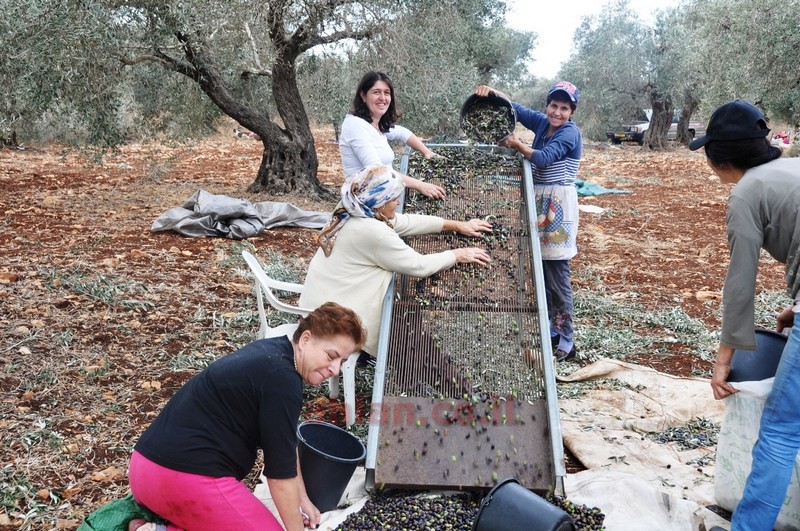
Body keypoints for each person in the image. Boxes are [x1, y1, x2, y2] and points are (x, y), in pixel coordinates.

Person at [126, 302, 366, 531]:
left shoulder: (273, 352)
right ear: (305, 339)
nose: (335, 369)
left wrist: (302, 499)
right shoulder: (283, 380)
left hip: (145, 471)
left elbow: (285, 445)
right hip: (182, 479)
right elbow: (279, 478)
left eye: (342, 361)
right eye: (331, 356)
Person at [692, 100, 800, 531]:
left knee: (782, 429)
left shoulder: (745, 193)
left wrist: (723, 363)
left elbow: (740, 288)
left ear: (720, 159)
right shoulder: (794, 168)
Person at [299, 164, 492, 365]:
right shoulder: (373, 232)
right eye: (393, 199)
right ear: (379, 204)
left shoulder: (354, 206)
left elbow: (403, 222)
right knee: (410, 333)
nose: (399, 201)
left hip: (317, 306)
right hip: (331, 326)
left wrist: (456, 225)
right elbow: (419, 266)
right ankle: (375, 357)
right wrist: (458, 254)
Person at [474, 81, 583, 362]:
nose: (557, 112)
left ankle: (567, 339)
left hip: (557, 207)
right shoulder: (543, 123)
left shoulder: (570, 133)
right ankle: (552, 330)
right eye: (554, 105)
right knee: (542, 271)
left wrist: (516, 144)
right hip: (540, 202)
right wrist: (493, 93)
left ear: (572, 112)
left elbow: (544, 158)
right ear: (548, 105)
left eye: (564, 108)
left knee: (557, 272)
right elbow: (517, 110)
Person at [339, 71, 446, 200]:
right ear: (363, 95)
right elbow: (378, 171)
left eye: (387, 93)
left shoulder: (376, 126)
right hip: (363, 204)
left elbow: (403, 133)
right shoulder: (355, 125)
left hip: (383, 201)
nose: (382, 98)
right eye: (376, 92)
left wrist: (427, 152)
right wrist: (420, 185)